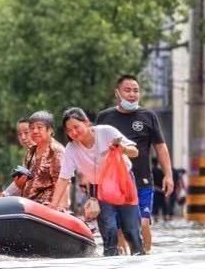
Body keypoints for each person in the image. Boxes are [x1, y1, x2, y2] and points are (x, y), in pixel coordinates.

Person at [95, 75, 173, 254]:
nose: (132, 94)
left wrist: (168, 174)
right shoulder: (104, 117)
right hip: (114, 183)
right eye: (127, 90)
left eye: (136, 91)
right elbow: (95, 149)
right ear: (117, 93)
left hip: (142, 180)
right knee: (121, 228)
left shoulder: (148, 116)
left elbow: (160, 147)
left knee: (143, 222)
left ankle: (145, 258)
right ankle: (123, 266)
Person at [53, 108, 141, 255]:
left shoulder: (106, 132)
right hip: (100, 189)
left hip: (123, 183)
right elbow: (64, 177)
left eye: (76, 127)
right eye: (69, 130)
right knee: (109, 231)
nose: (74, 132)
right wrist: (53, 206)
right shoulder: (71, 149)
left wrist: (122, 148)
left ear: (86, 122)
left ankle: (139, 265)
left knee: (131, 231)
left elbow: (135, 152)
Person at [22, 111, 66, 205]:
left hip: (47, 207)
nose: (35, 131)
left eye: (39, 127)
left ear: (50, 130)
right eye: (32, 128)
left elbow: (63, 182)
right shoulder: (31, 151)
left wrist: (59, 208)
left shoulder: (56, 151)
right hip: (28, 205)